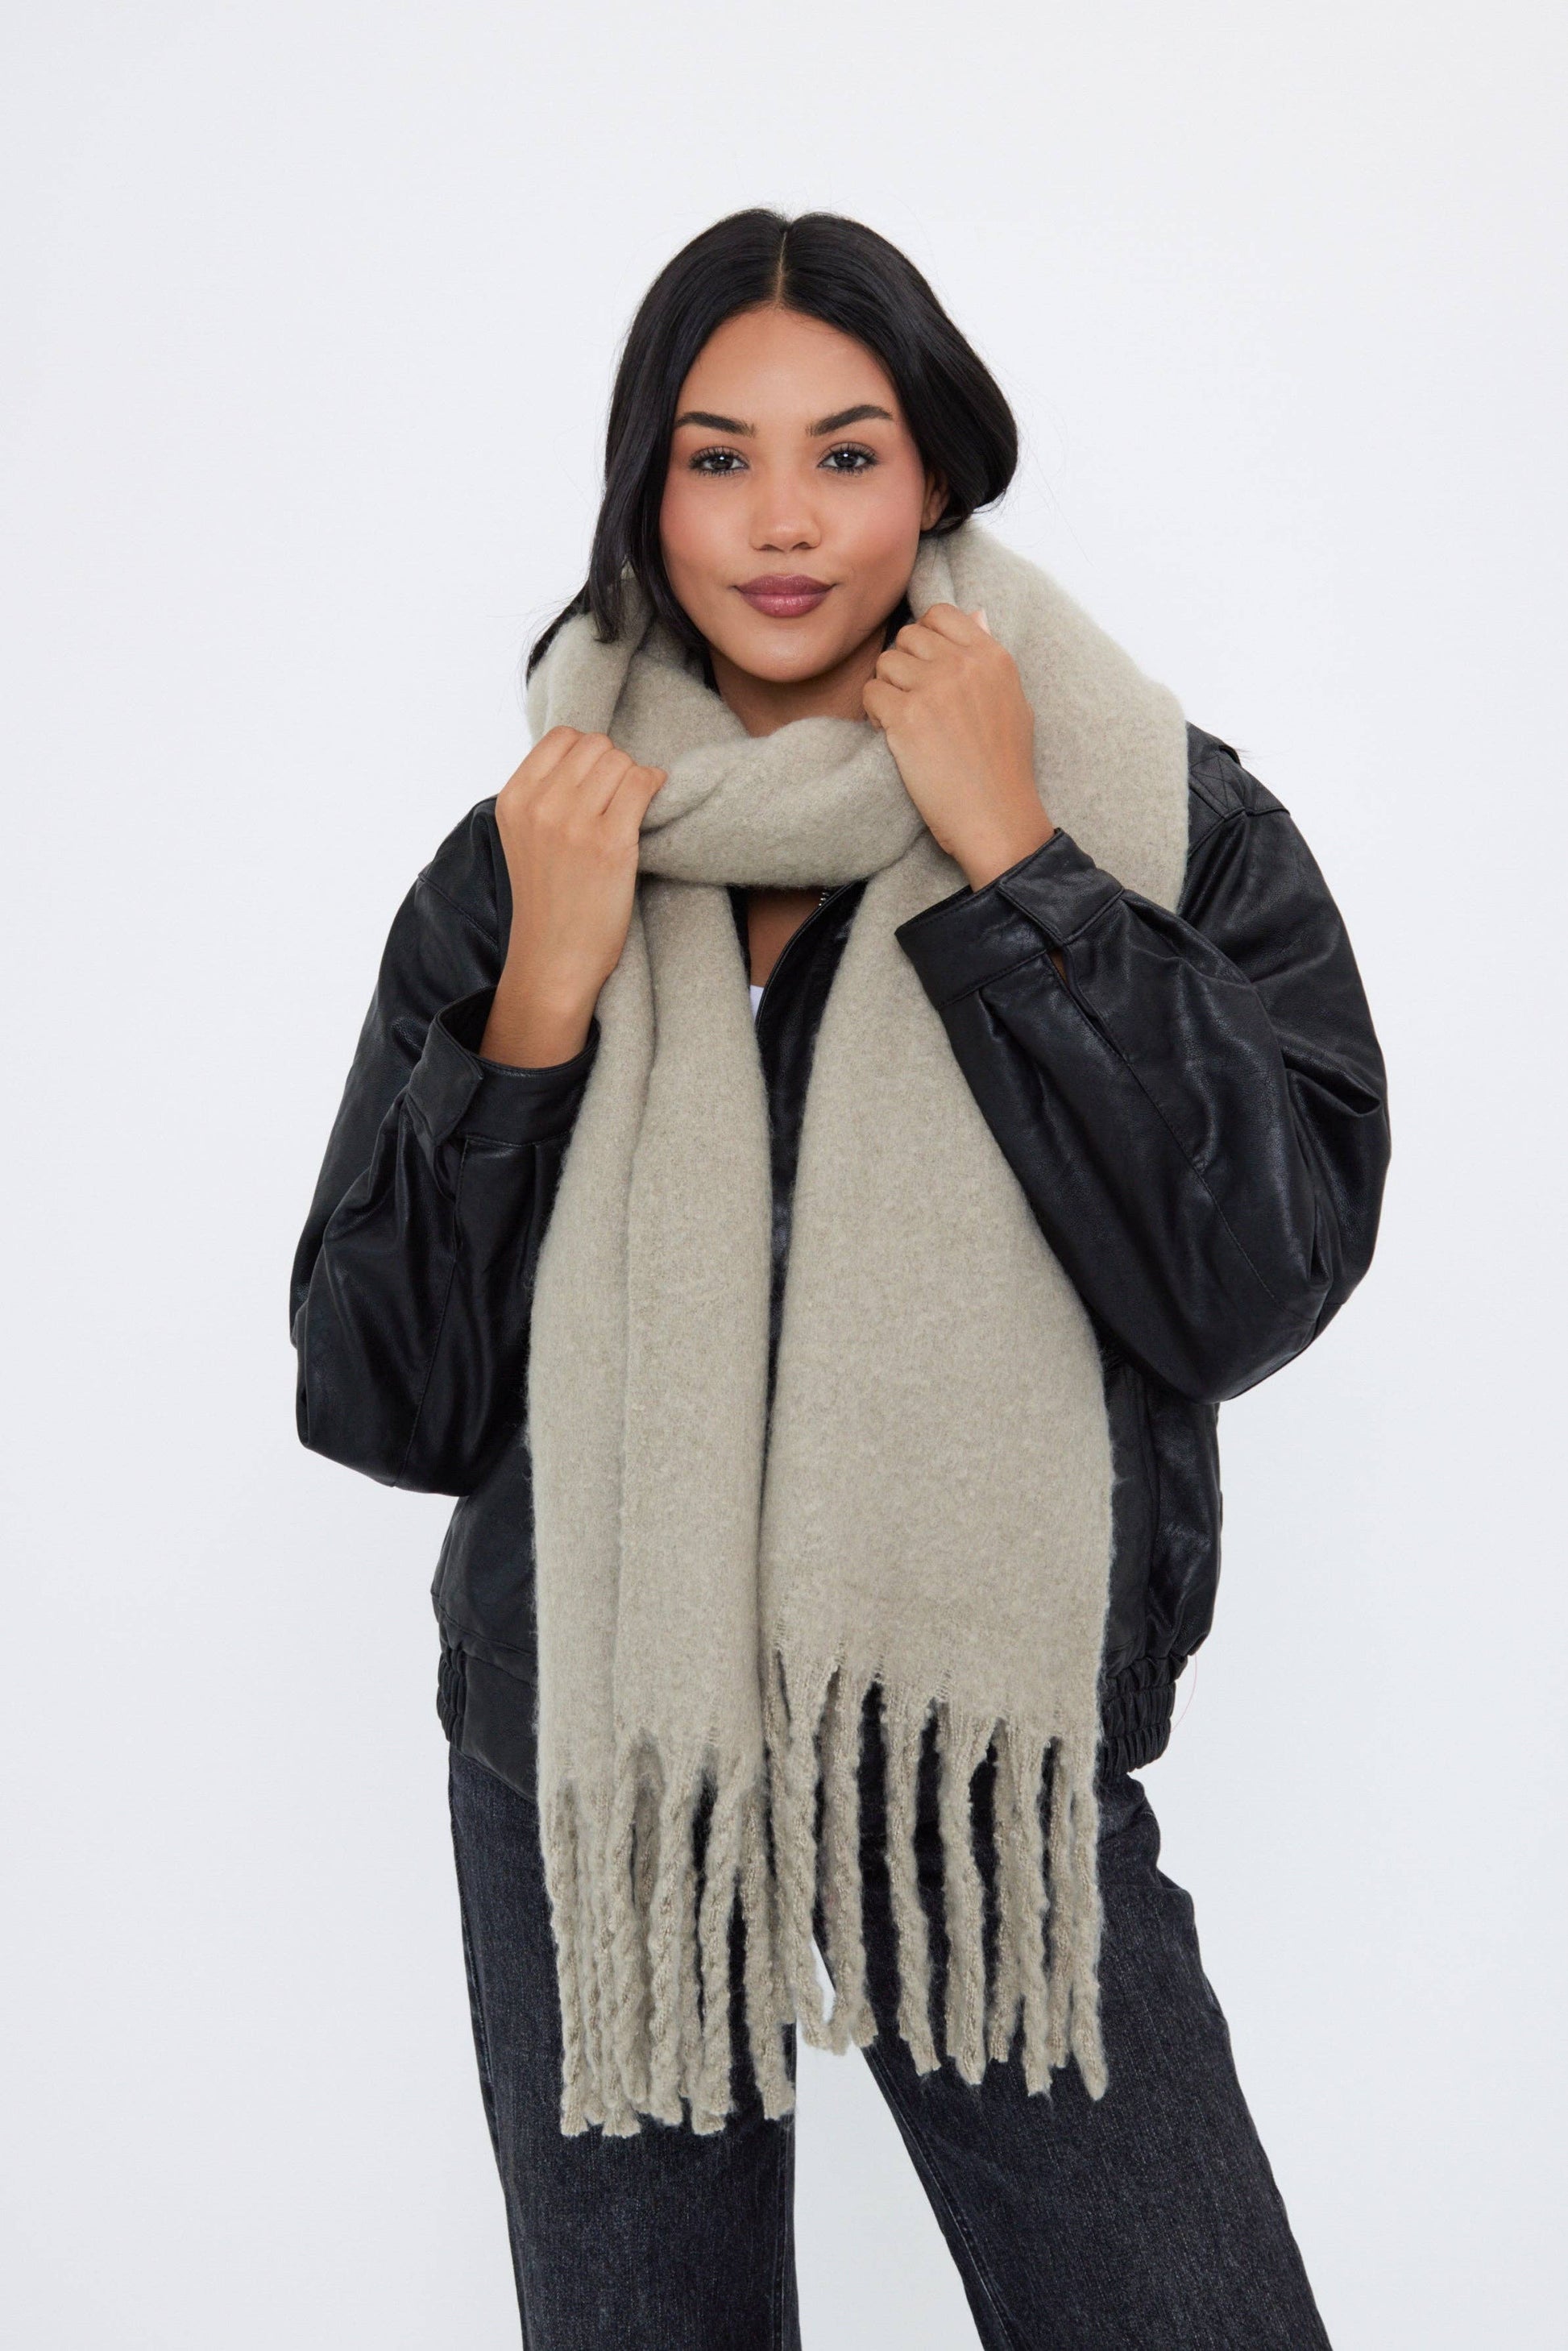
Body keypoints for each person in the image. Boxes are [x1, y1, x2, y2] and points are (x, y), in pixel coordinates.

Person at [291, 208, 1389, 2349]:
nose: (780, 522)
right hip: (606, 1757)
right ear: (646, 489)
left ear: (936, 472)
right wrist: (538, 1005)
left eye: (846, 452)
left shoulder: (1147, 810)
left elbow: (1247, 1284)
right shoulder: (536, 848)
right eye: (717, 457)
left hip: (966, 1760)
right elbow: (382, 1393)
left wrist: (1020, 870)